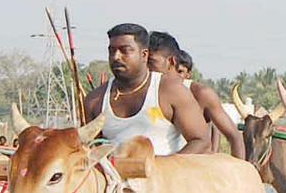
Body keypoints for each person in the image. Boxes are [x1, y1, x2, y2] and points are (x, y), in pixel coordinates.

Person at [83, 23, 210, 155]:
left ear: (144, 55)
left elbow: (201, 142)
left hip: (167, 173)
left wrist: (157, 168)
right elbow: (92, 152)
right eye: (112, 51)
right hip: (114, 174)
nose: (116, 57)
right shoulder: (94, 101)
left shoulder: (170, 90)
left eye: (124, 50)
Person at [147, 31, 244, 158]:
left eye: (150, 62)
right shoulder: (141, 93)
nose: (146, 68)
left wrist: (240, 173)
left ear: (171, 62)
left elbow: (234, 137)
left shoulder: (201, 94)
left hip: (192, 172)